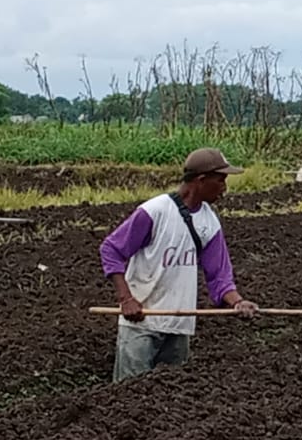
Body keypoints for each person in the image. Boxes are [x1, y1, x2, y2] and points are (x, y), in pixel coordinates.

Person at [100, 148, 259, 382]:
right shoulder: (154, 212)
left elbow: (219, 276)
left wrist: (237, 302)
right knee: (129, 395)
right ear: (201, 180)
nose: (225, 187)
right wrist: (126, 299)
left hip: (179, 327)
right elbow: (111, 249)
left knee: (171, 397)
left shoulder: (210, 222)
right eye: (221, 180)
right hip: (141, 322)